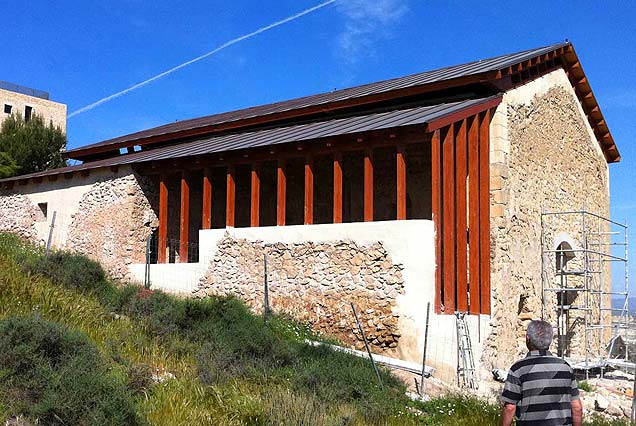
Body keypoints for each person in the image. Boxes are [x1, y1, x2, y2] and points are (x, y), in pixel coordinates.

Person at [500, 320, 583, 426]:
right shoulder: (565, 368)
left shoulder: (518, 369)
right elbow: (577, 408)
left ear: (527, 339)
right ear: (550, 340)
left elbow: (509, 408)